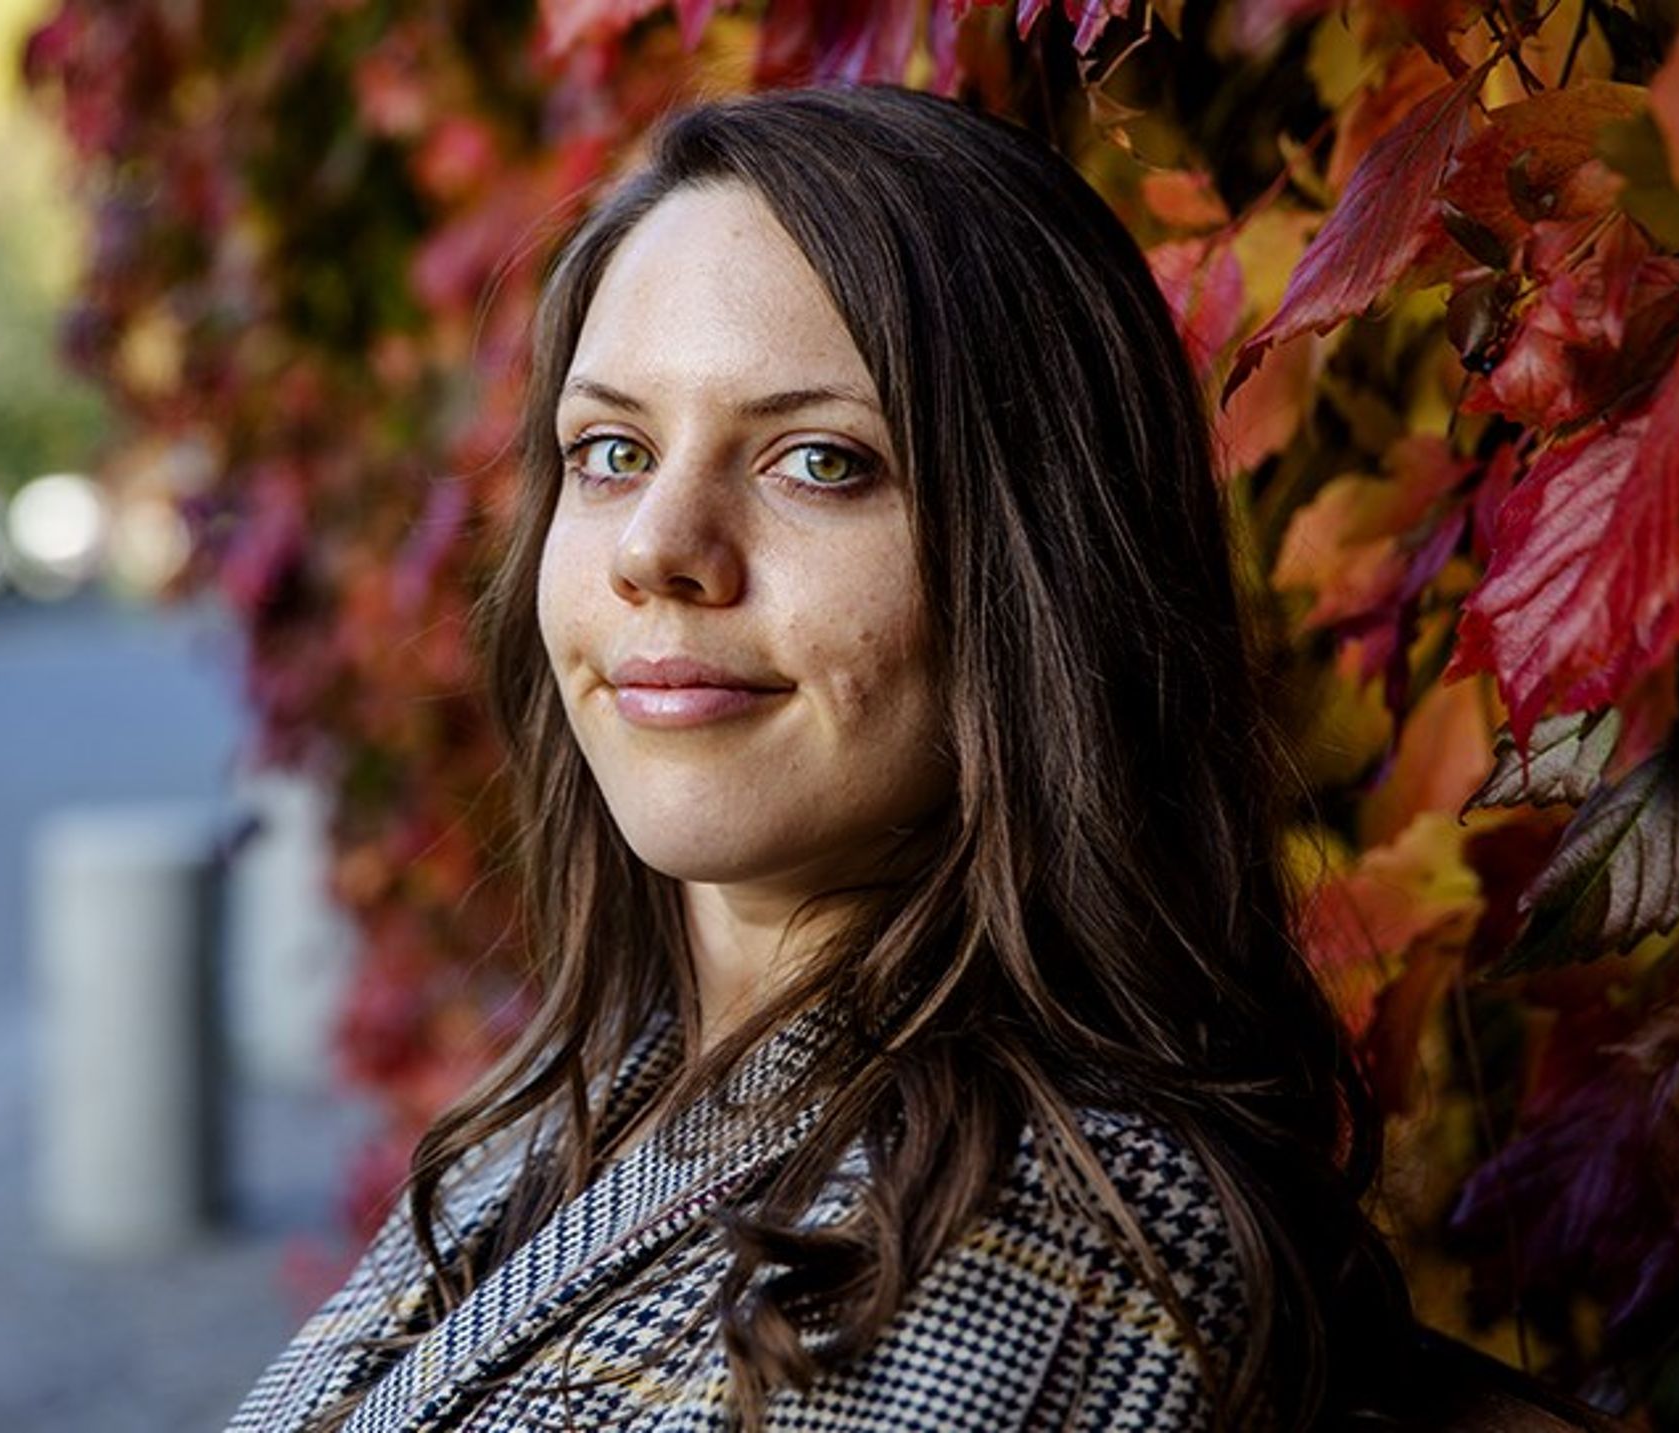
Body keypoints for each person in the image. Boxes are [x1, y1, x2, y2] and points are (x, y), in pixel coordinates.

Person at [227, 84, 1414, 1433]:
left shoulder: (1043, 1252)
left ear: (1043, 572)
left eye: (820, 462)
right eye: (611, 450)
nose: (654, 546)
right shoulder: (581, 1118)